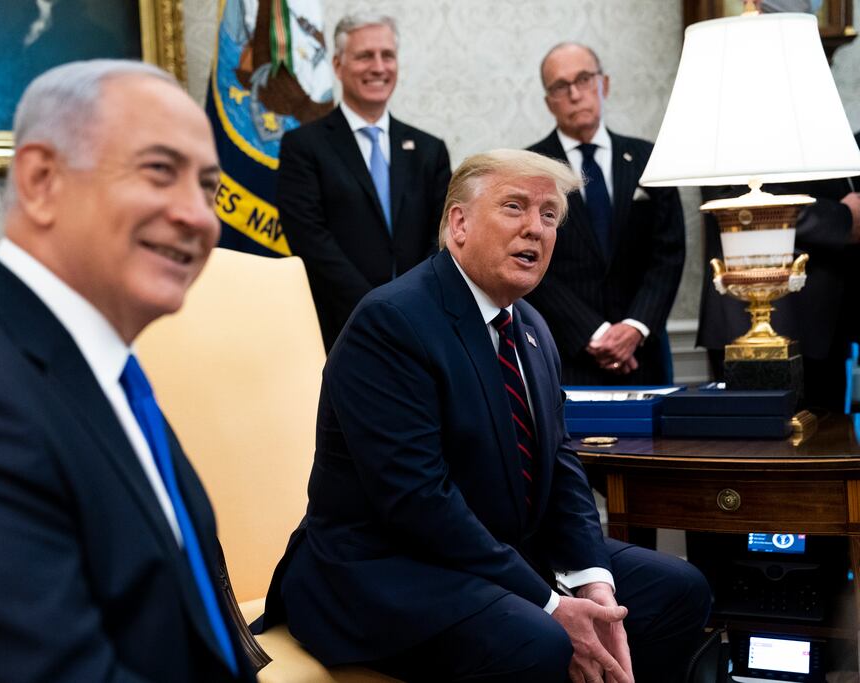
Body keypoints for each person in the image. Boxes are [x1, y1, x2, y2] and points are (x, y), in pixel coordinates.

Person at [0, 60, 256, 682]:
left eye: (209, 188)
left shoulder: (104, 373)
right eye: (160, 172)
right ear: (40, 181)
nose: (198, 216)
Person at [258, 149, 710, 682]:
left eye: (548, 216)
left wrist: (594, 585)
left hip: (497, 551)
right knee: (539, 638)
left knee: (678, 589)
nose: (535, 230)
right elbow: (418, 501)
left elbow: (560, 466)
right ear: (458, 223)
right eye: (515, 207)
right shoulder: (391, 323)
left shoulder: (534, 328)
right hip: (384, 569)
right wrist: (550, 602)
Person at [277, 12, 451, 350]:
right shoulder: (304, 146)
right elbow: (310, 240)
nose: (378, 67)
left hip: (424, 323)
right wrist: (375, 307)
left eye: (387, 55)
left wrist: (412, 303)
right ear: (338, 65)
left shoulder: (430, 150)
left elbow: (444, 232)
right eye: (364, 56)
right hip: (338, 327)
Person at [527, 42, 685, 385]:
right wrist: (593, 333)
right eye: (560, 86)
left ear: (605, 84)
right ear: (548, 101)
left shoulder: (649, 159)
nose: (574, 94)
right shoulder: (530, 169)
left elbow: (668, 255)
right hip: (567, 353)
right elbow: (529, 260)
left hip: (643, 352)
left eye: (584, 79)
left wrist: (634, 328)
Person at [697, 131, 860, 411]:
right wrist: (842, 219)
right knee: (760, 445)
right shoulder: (728, 118)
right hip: (764, 319)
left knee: (827, 444)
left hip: (830, 321)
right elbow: (733, 198)